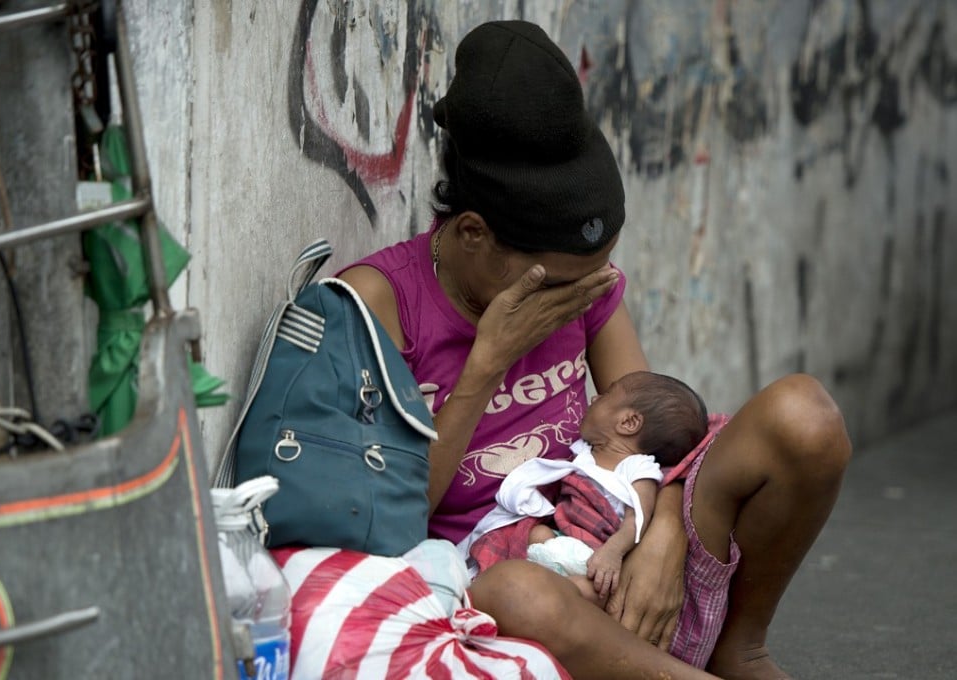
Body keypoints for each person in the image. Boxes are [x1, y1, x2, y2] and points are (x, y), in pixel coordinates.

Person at [337, 19, 851, 680]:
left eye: (592, 280)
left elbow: (659, 443)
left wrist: (660, 533)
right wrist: (487, 360)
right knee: (516, 593)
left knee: (804, 417)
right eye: (558, 284)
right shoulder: (379, 303)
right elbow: (390, 521)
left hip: (619, 531)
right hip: (514, 579)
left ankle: (738, 649)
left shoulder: (581, 286)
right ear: (472, 233)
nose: (579, 297)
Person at [464, 370, 710, 609]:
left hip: (598, 557)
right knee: (534, 535)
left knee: (593, 591)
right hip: (565, 542)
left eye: (605, 395)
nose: (594, 398)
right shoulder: (584, 454)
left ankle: (549, 597)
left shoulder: (638, 468)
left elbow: (638, 519)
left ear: (628, 422)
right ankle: (531, 586)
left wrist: (613, 552)